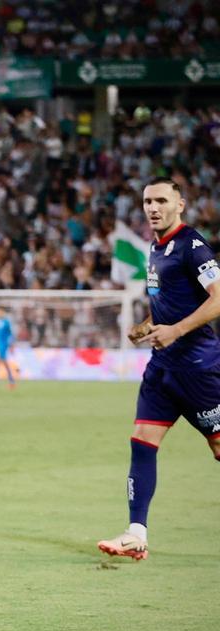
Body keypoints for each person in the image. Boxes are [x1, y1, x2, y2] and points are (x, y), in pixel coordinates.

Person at [98, 177, 220, 560]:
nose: (153, 207)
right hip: (162, 369)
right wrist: (148, 327)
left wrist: (178, 330)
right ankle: (136, 533)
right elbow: (173, 301)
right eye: (148, 201)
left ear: (180, 204)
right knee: (141, 443)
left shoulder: (192, 246)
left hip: (198, 370)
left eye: (162, 201)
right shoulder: (156, 245)